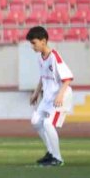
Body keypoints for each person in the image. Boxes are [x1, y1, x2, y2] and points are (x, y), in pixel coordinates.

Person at [27, 26, 73, 167]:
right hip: (48, 98)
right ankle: (51, 152)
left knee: (48, 124)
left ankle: (58, 158)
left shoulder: (55, 57)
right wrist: (36, 92)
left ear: (43, 41)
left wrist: (60, 95)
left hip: (60, 96)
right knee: (36, 121)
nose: (32, 46)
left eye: (34, 43)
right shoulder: (41, 58)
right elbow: (43, 77)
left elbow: (68, 78)